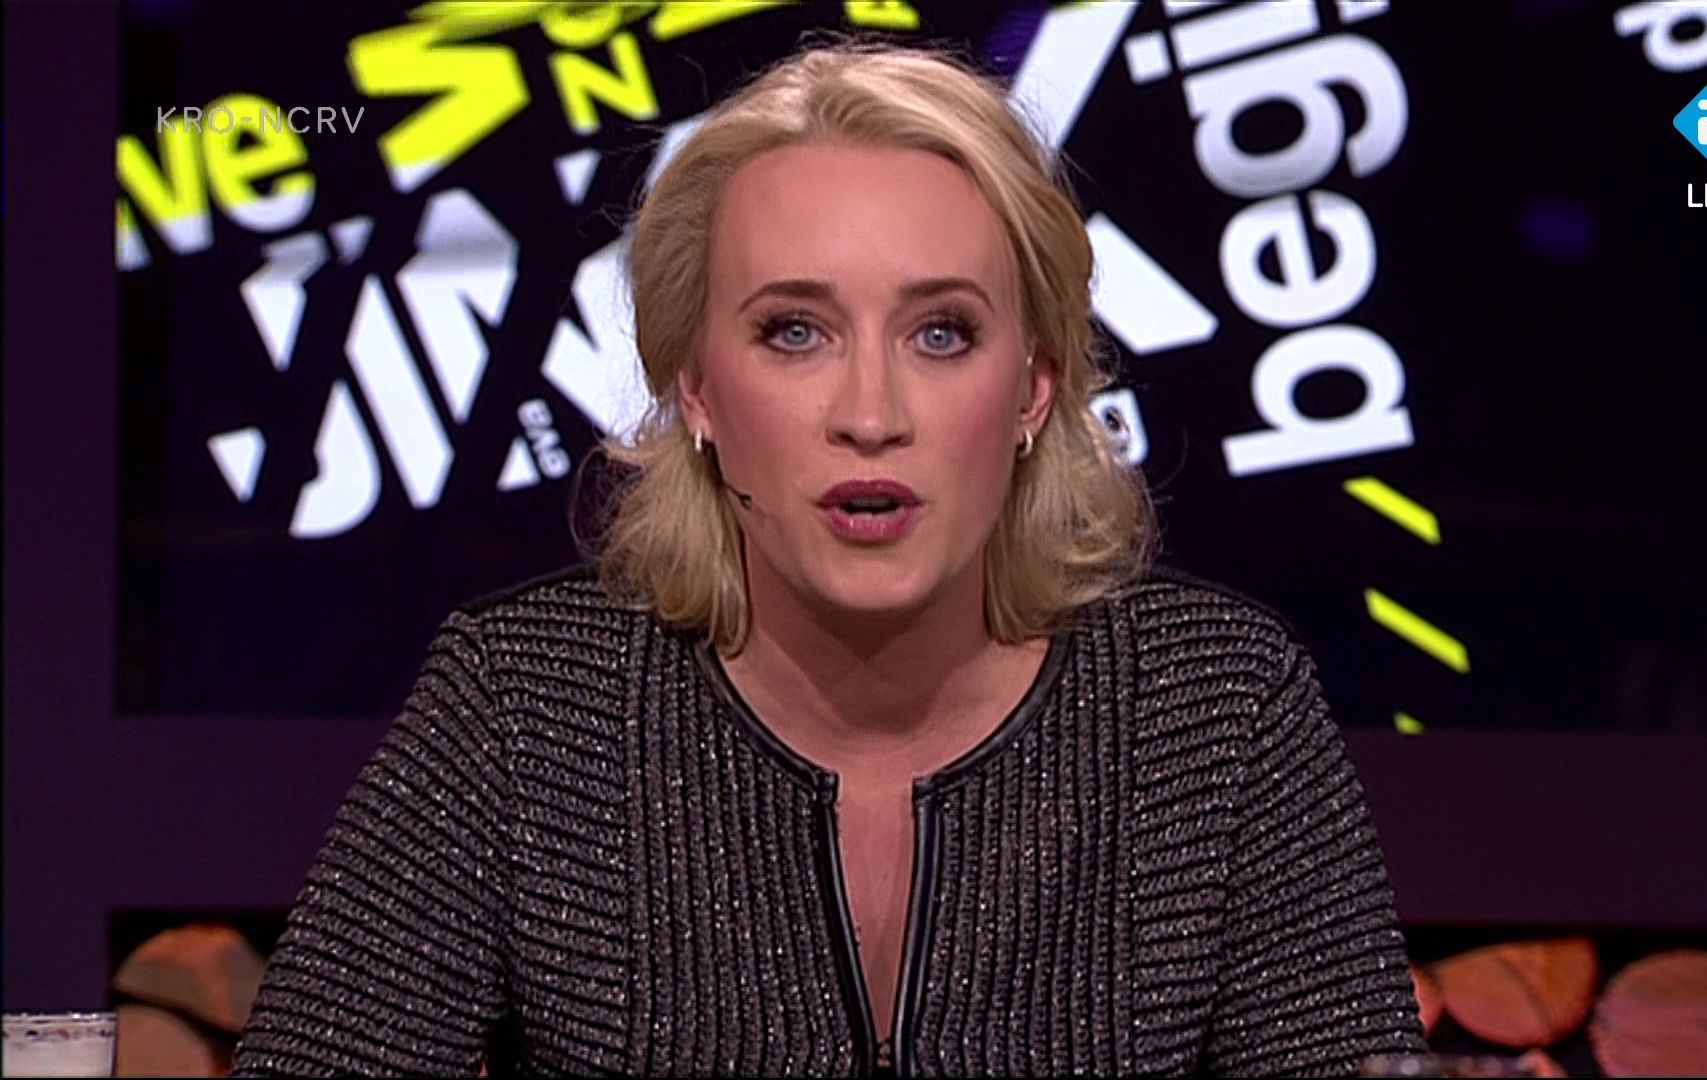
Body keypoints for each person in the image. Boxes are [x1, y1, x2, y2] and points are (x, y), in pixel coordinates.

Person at [231, 42, 1425, 1078]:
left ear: (1033, 389)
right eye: (793, 331)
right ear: (696, 388)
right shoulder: (529, 704)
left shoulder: (1215, 709)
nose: (870, 413)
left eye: (941, 332)